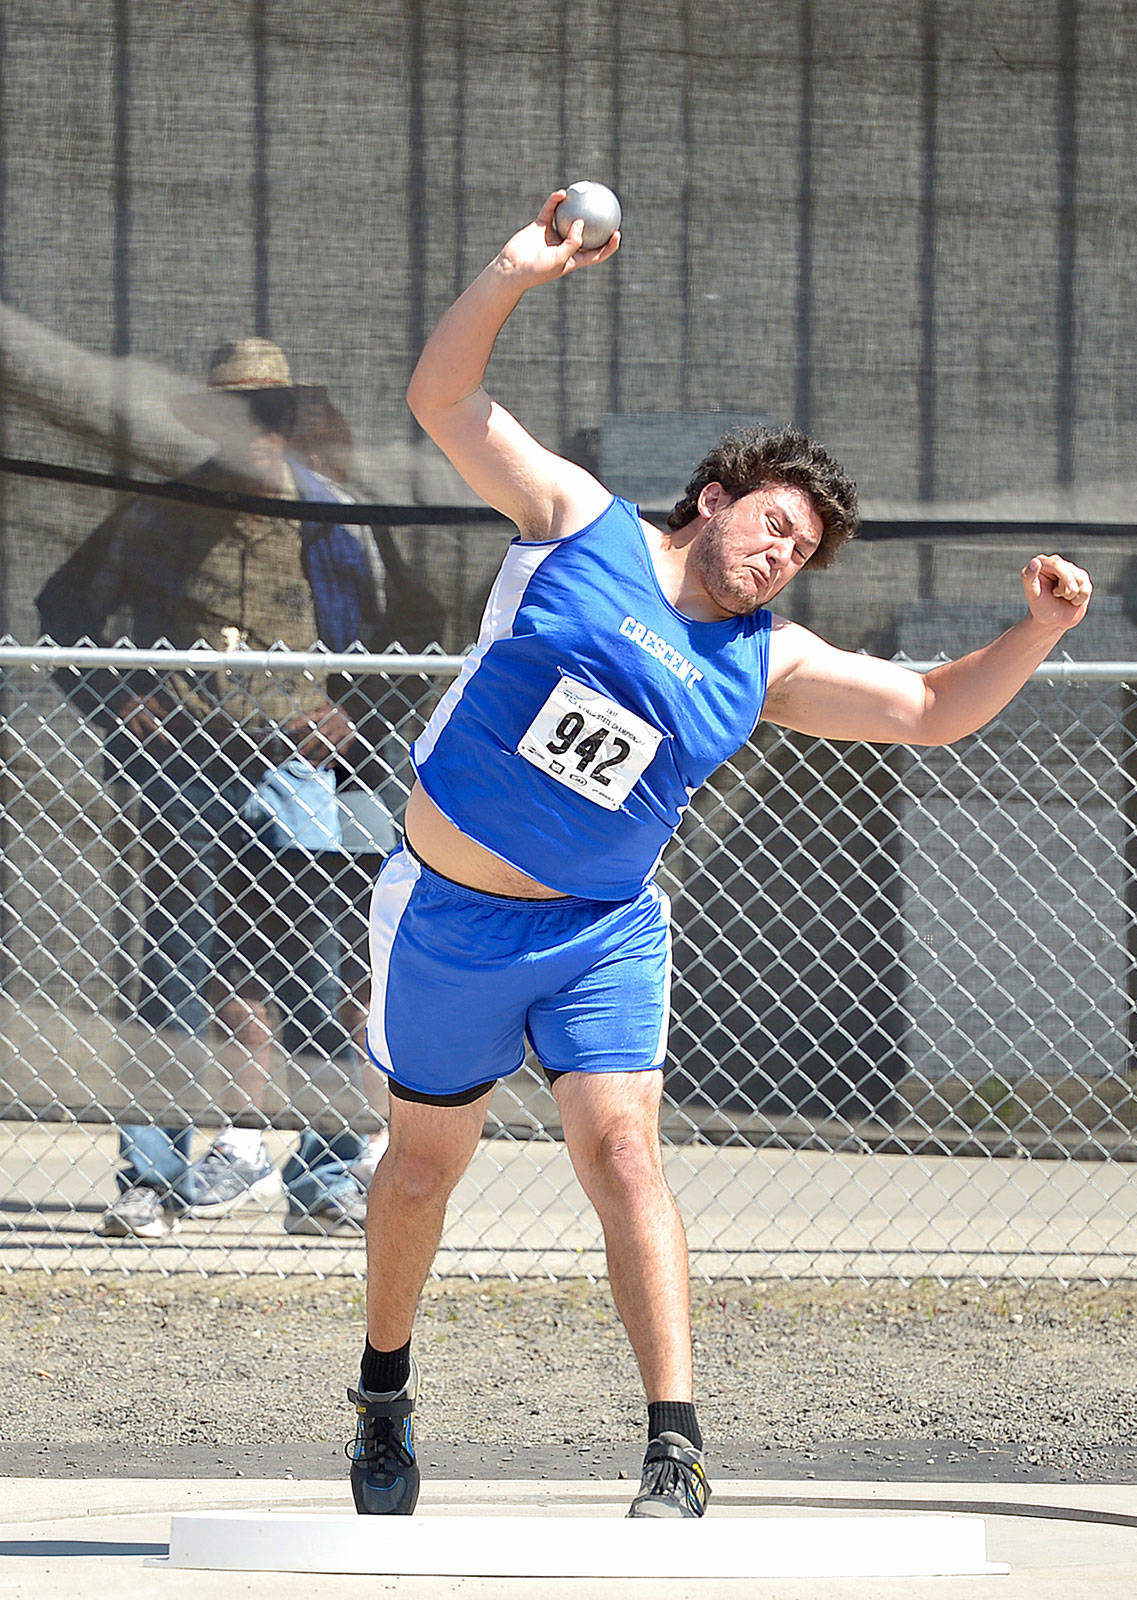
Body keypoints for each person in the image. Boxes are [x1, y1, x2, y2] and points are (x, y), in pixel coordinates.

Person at [346, 191, 1092, 1518]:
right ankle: (385, 1392)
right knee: (418, 1172)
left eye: (800, 554)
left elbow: (927, 713)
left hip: (602, 932)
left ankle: (674, 1445)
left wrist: (1032, 633)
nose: (779, 558)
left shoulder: (768, 660)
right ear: (715, 498)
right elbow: (444, 400)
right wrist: (515, 273)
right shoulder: (577, 526)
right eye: (772, 527)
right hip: (451, 916)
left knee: (624, 1152)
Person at [37, 338, 393, 1238]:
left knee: (315, 974)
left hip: (304, 770)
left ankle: (323, 1183)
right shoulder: (162, 513)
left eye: (270, 416)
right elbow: (64, 605)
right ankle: (150, 1181)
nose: (256, 433)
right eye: (238, 417)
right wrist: (121, 697)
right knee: (173, 971)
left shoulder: (337, 517)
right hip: (186, 766)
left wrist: (358, 713)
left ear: (287, 422)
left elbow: (405, 634)